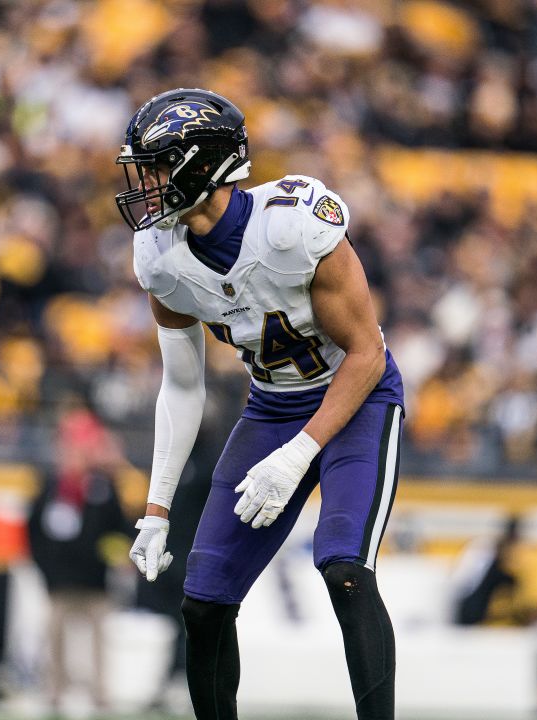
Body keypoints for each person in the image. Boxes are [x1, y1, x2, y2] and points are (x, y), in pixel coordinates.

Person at [118, 88, 406, 720]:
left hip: (354, 398)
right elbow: (183, 385)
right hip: (272, 408)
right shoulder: (162, 260)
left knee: (344, 569)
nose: (148, 184)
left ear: (204, 165)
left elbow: (366, 354)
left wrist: (299, 454)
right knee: (203, 601)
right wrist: (158, 507)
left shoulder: (293, 223)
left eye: (160, 167)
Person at [26, 408, 132, 714]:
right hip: (59, 580)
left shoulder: (103, 485)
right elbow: (34, 530)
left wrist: (120, 557)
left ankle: (101, 693)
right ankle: (54, 690)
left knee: (100, 638)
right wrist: (44, 570)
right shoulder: (49, 486)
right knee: (54, 636)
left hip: (96, 580)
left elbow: (119, 527)